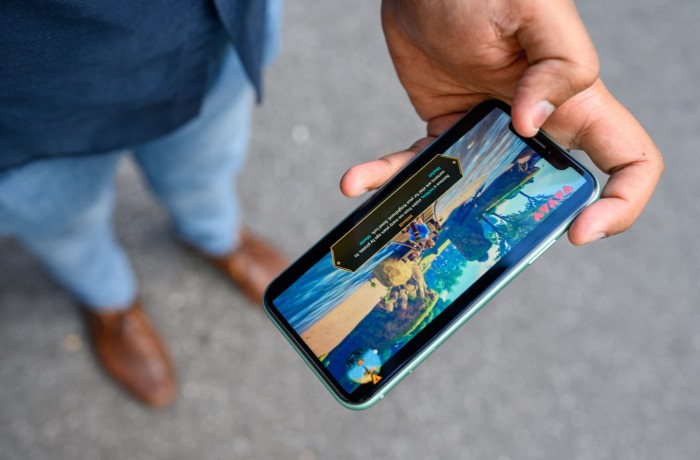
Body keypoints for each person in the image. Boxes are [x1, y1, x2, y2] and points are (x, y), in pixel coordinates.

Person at [0, 0, 663, 407]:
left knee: (205, 167)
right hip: (23, 93)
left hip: (211, 30)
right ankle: (110, 301)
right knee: (62, 218)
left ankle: (213, 235)